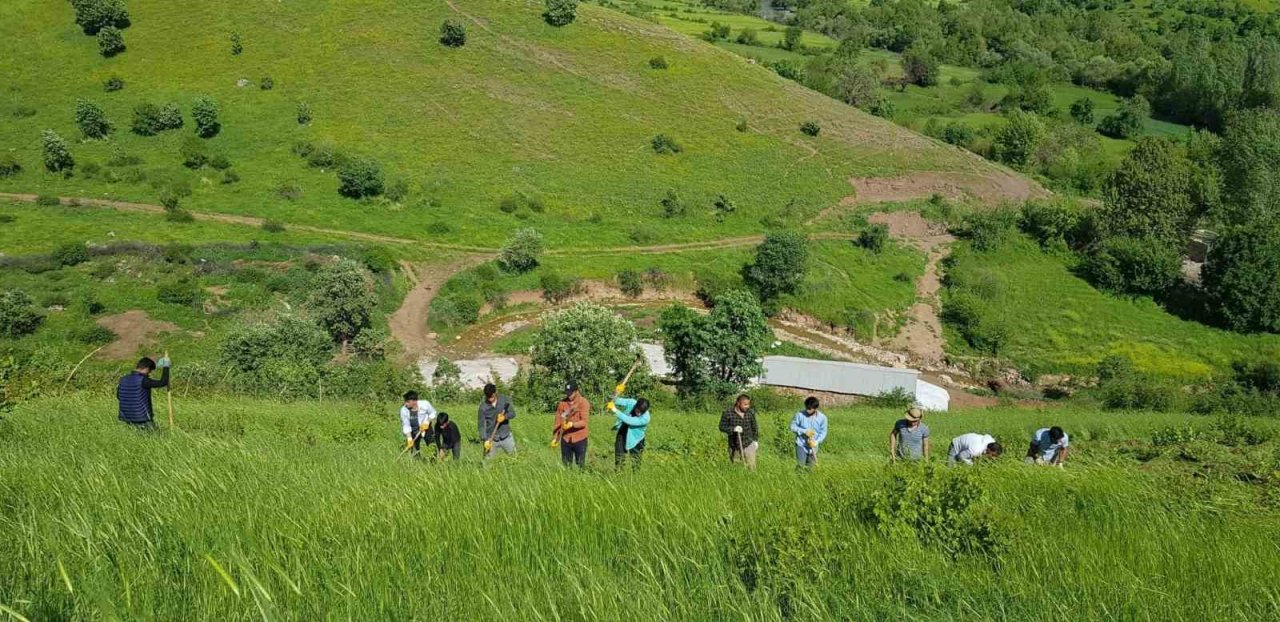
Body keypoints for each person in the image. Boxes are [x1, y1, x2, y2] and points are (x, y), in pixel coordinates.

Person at [116, 356, 170, 430]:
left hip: (126, 418)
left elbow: (119, 396)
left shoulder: (123, 379)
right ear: (147, 368)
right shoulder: (144, 380)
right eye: (150, 371)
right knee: (155, 438)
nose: (149, 373)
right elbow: (163, 382)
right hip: (142, 418)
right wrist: (166, 366)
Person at [553, 381, 590, 467]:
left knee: (580, 464)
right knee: (566, 464)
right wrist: (555, 438)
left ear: (576, 391)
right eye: (567, 392)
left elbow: (584, 422)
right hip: (565, 438)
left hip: (580, 438)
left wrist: (572, 424)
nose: (569, 394)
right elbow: (557, 421)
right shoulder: (562, 404)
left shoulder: (583, 403)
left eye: (571, 392)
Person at [719, 394, 760, 470]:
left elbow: (755, 427)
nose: (747, 406)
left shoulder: (750, 413)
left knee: (751, 467)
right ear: (738, 403)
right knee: (736, 468)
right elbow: (722, 427)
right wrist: (733, 429)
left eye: (748, 404)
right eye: (745, 404)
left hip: (748, 443)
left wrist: (755, 440)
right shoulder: (727, 413)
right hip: (734, 446)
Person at [609, 396, 650, 470]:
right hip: (623, 432)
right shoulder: (632, 402)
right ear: (636, 406)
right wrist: (614, 395)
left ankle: (635, 477)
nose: (639, 414)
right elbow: (616, 400)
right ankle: (618, 474)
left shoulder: (645, 418)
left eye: (641, 412)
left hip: (636, 439)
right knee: (619, 457)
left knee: (636, 461)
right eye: (638, 411)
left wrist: (615, 410)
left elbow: (629, 420)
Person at [478, 383, 517, 460]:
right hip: (491, 439)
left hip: (506, 436)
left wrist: (504, 417)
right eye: (488, 397)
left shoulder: (505, 399)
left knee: (515, 458)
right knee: (486, 463)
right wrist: (485, 439)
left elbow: (513, 414)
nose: (490, 399)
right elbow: (481, 425)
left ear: (495, 393)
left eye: (492, 397)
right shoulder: (483, 407)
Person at [789, 396, 828, 469]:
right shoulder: (799, 415)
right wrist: (804, 431)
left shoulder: (822, 418)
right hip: (801, 444)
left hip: (813, 446)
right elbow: (792, 427)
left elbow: (823, 432)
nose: (807, 410)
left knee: (810, 468)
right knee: (801, 465)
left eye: (809, 409)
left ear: (815, 408)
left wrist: (816, 441)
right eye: (806, 408)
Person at [399, 391, 437, 458]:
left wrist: (427, 422)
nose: (405, 403)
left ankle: (434, 461)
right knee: (415, 449)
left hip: (426, 428)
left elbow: (433, 413)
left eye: (407, 402)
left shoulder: (425, 404)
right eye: (405, 401)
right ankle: (417, 462)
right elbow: (406, 425)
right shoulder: (403, 410)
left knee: (431, 445)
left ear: (414, 401)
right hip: (413, 430)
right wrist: (409, 438)